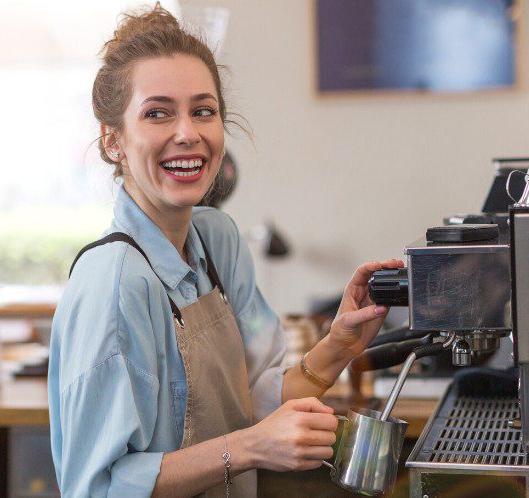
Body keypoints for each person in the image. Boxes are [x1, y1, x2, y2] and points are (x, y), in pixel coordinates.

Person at [48, 6, 403, 497]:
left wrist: (340, 344)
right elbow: (97, 487)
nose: (188, 133)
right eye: (157, 113)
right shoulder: (114, 282)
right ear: (113, 141)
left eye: (203, 110)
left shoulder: (218, 242)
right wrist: (252, 448)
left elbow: (257, 398)